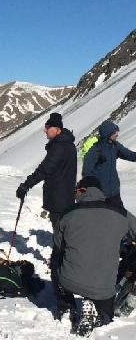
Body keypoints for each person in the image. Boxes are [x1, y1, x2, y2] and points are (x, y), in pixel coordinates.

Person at [53, 176, 136, 336]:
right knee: (108, 317)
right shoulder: (120, 214)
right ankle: (100, 316)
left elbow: (57, 248)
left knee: (55, 260)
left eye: (75, 191)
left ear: (83, 190)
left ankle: (66, 306)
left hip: (69, 281)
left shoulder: (68, 213)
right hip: (104, 288)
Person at [15, 112, 76, 300]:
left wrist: (26, 184)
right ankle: (63, 261)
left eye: (47, 128)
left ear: (56, 129)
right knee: (63, 231)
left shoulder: (58, 147)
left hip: (59, 198)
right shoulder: (68, 145)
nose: (44, 131)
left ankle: (60, 266)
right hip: (65, 196)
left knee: (59, 233)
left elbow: (45, 169)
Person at [82, 120, 136, 209]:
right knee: (104, 221)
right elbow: (86, 172)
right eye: (115, 133)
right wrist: (92, 191)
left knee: (121, 218)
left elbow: (130, 155)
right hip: (100, 196)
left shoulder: (115, 146)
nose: (117, 134)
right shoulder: (96, 149)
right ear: (108, 134)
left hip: (114, 193)